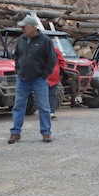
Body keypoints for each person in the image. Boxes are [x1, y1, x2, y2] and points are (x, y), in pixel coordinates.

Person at [9, 15, 56, 143]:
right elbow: (16, 56)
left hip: (38, 80)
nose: (22, 29)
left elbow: (52, 60)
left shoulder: (45, 40)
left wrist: (44, 75)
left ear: (32, 27)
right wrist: (18, 70)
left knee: (43, 107)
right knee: (18, 106)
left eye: (24, 27)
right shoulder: (21, 39)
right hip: (22, 79)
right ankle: (15, 132)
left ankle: (46, 133)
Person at [47, 47, 67, 119]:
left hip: (47, 76)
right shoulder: (55, 49)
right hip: (53, 75)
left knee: (45, 95)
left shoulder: (40, 48)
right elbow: (62, 62)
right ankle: (51, 112)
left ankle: (48, 111)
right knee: (51, 95)